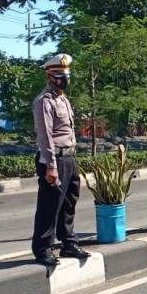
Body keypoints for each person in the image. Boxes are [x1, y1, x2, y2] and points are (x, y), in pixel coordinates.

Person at [32, 53, 90, 267]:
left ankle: (68, 242)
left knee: (69, 201)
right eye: (59, 76)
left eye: (66, 75)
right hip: (53, 159)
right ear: (49, 76)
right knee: (50, 205)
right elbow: (45, 136)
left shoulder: (63, 99)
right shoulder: (44, 102)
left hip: (69, 157)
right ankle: (43, 248)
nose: (63, 79)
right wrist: (50, 166)